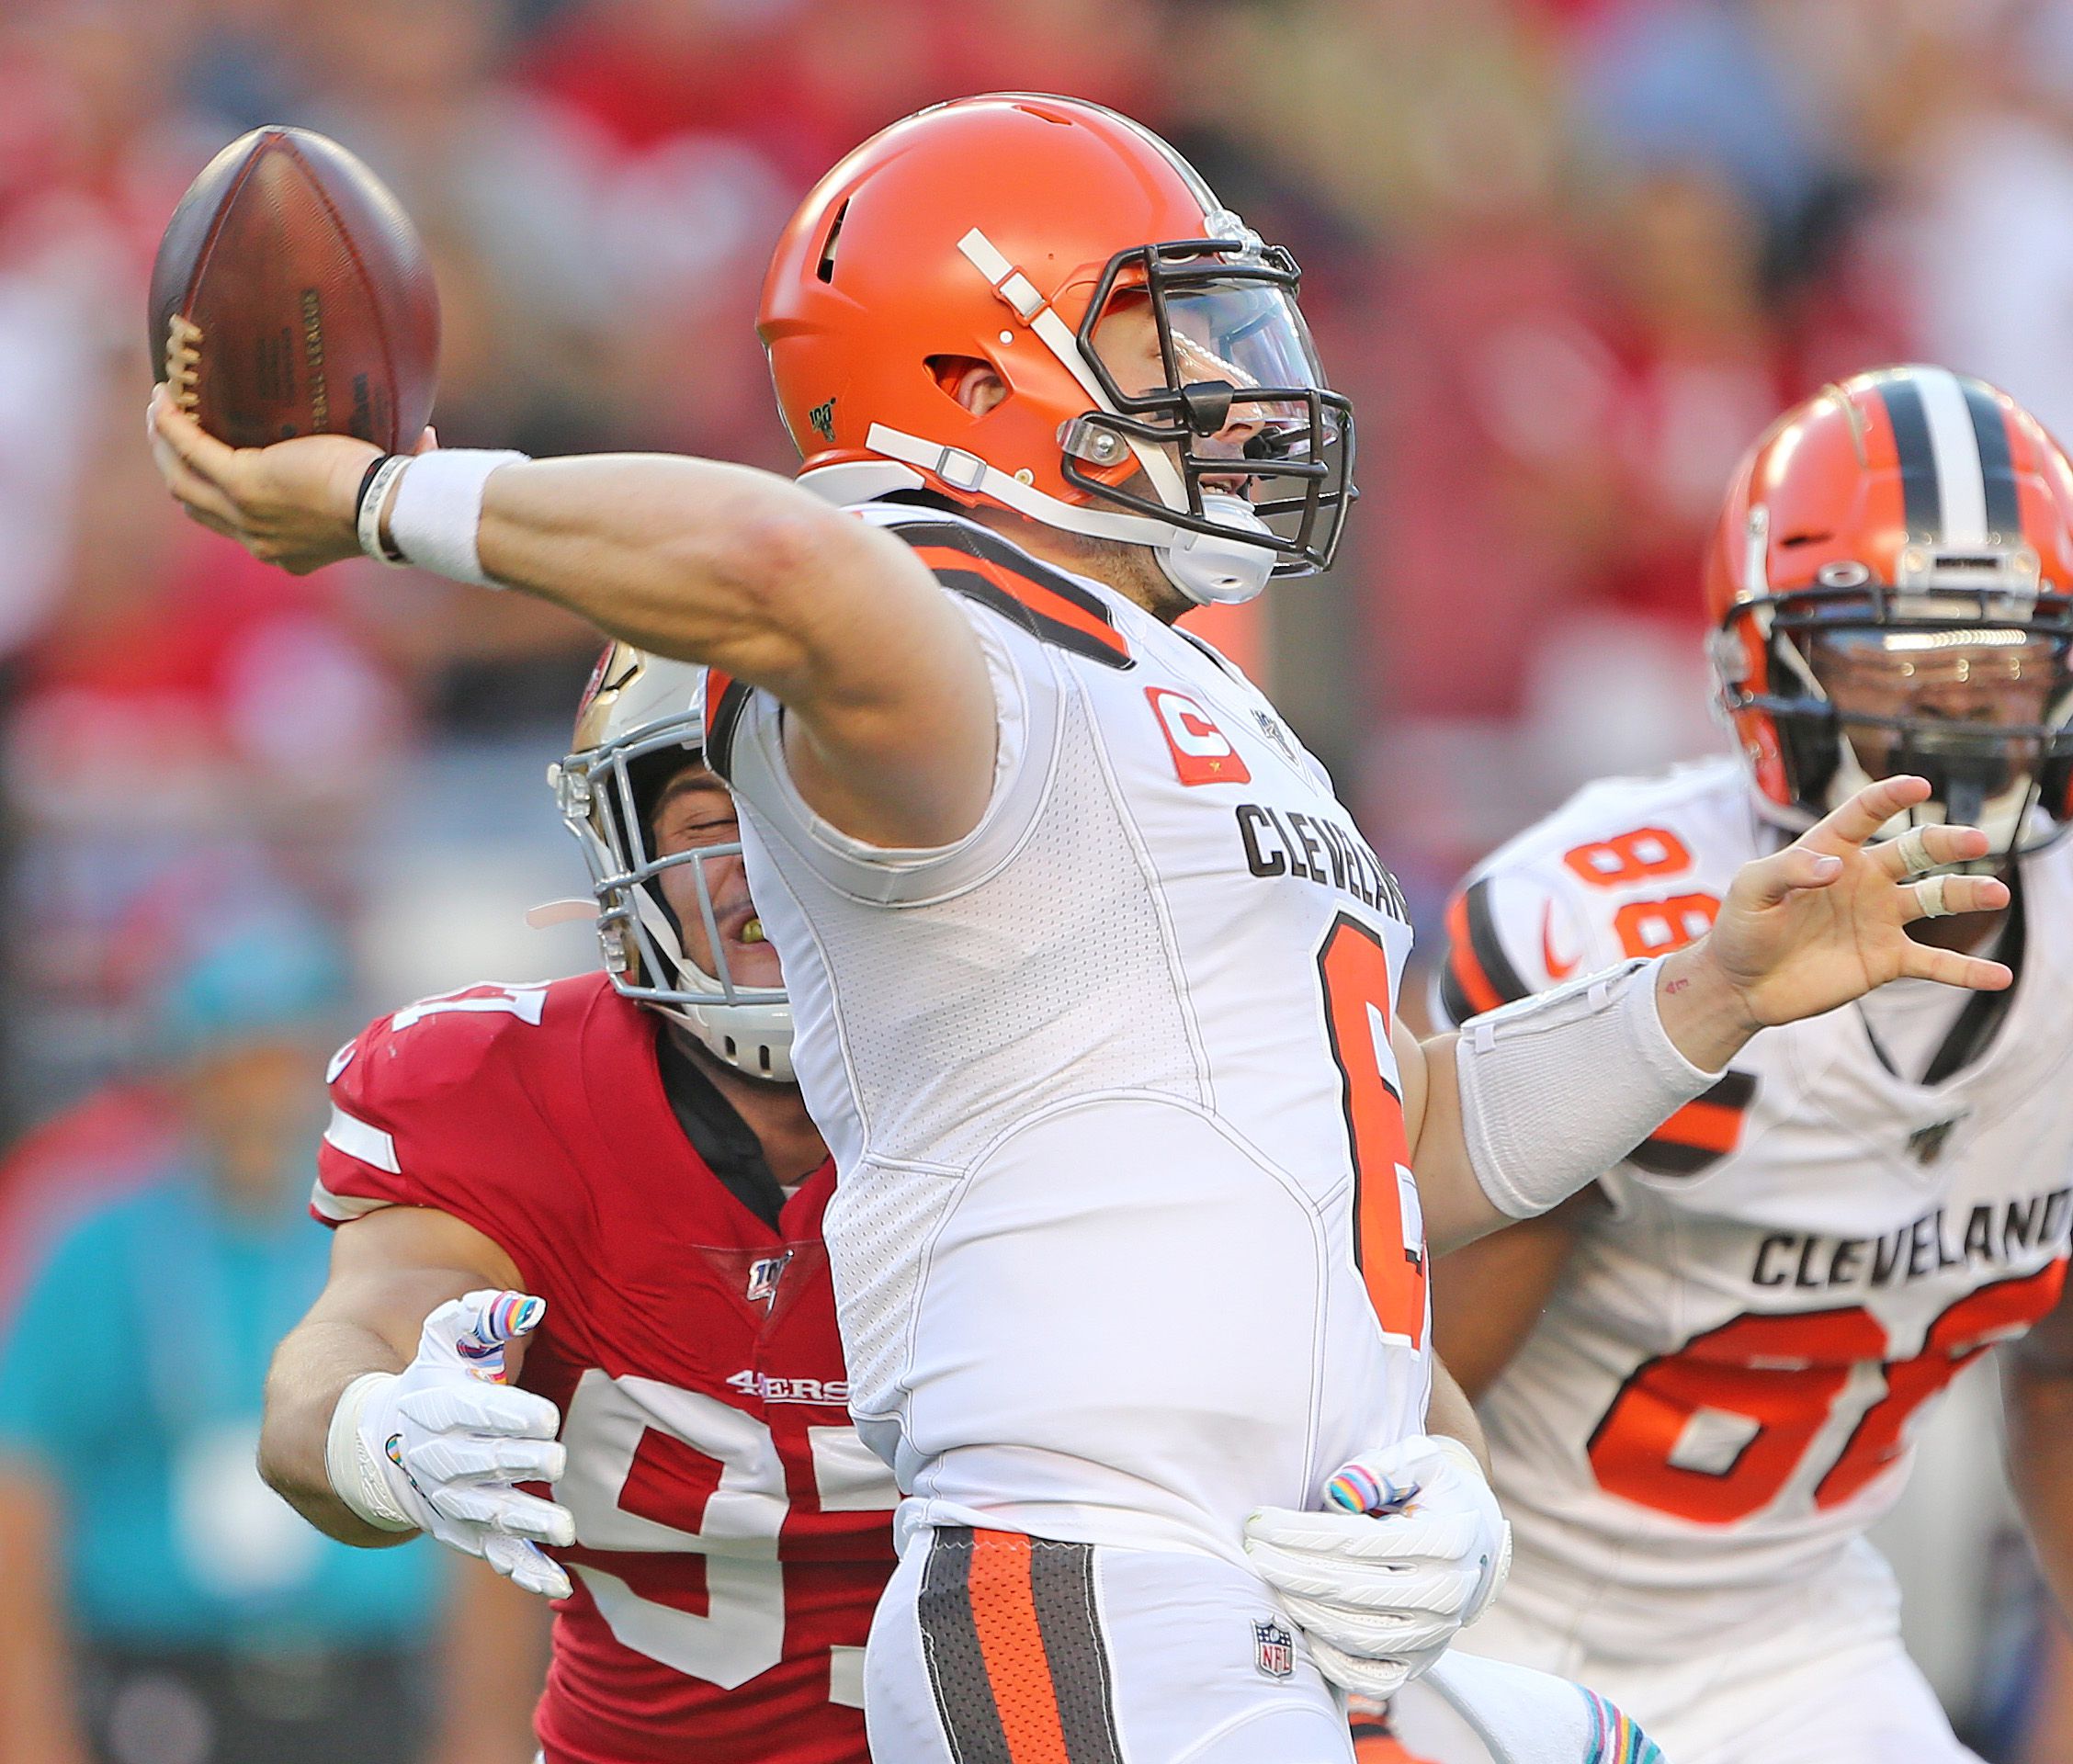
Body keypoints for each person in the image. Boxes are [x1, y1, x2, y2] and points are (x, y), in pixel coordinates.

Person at [152, 96, 2007, 1762]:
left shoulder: (1176, 691)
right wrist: (398, 501)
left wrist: (1707, 993)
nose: (1237, 384)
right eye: (1164, 332)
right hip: (1097, 1592)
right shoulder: (943, 648)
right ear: (971, 380)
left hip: (1265, 1606)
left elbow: (1398, 1145)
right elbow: (790, 566)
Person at [1430, 364, 2073, 1764]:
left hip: (1797, 1643)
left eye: (2008, 651)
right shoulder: (1611, 921)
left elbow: (2063, 1371)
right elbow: (1409, 1383)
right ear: (1766, 667)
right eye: (1898, 654)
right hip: (1495, 1620)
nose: (1965, 707)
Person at [257, 649, 900, 1763]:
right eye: (710, 818)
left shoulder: (1061, 1089)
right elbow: (347, 1349)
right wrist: (376, 1431)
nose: (768, 864)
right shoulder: (490, 1089)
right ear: (627, 852)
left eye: (821, 807)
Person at [0, 907, 444, 1764]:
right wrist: (29, 1726)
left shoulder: (403, 1239)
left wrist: (488, 1721)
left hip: (378, 1679)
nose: (259, 1096)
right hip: (158, 1681)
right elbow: (24, 1487)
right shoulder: (95, 1247)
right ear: (178, 1074)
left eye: (284, 1062)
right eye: (232, 1065)